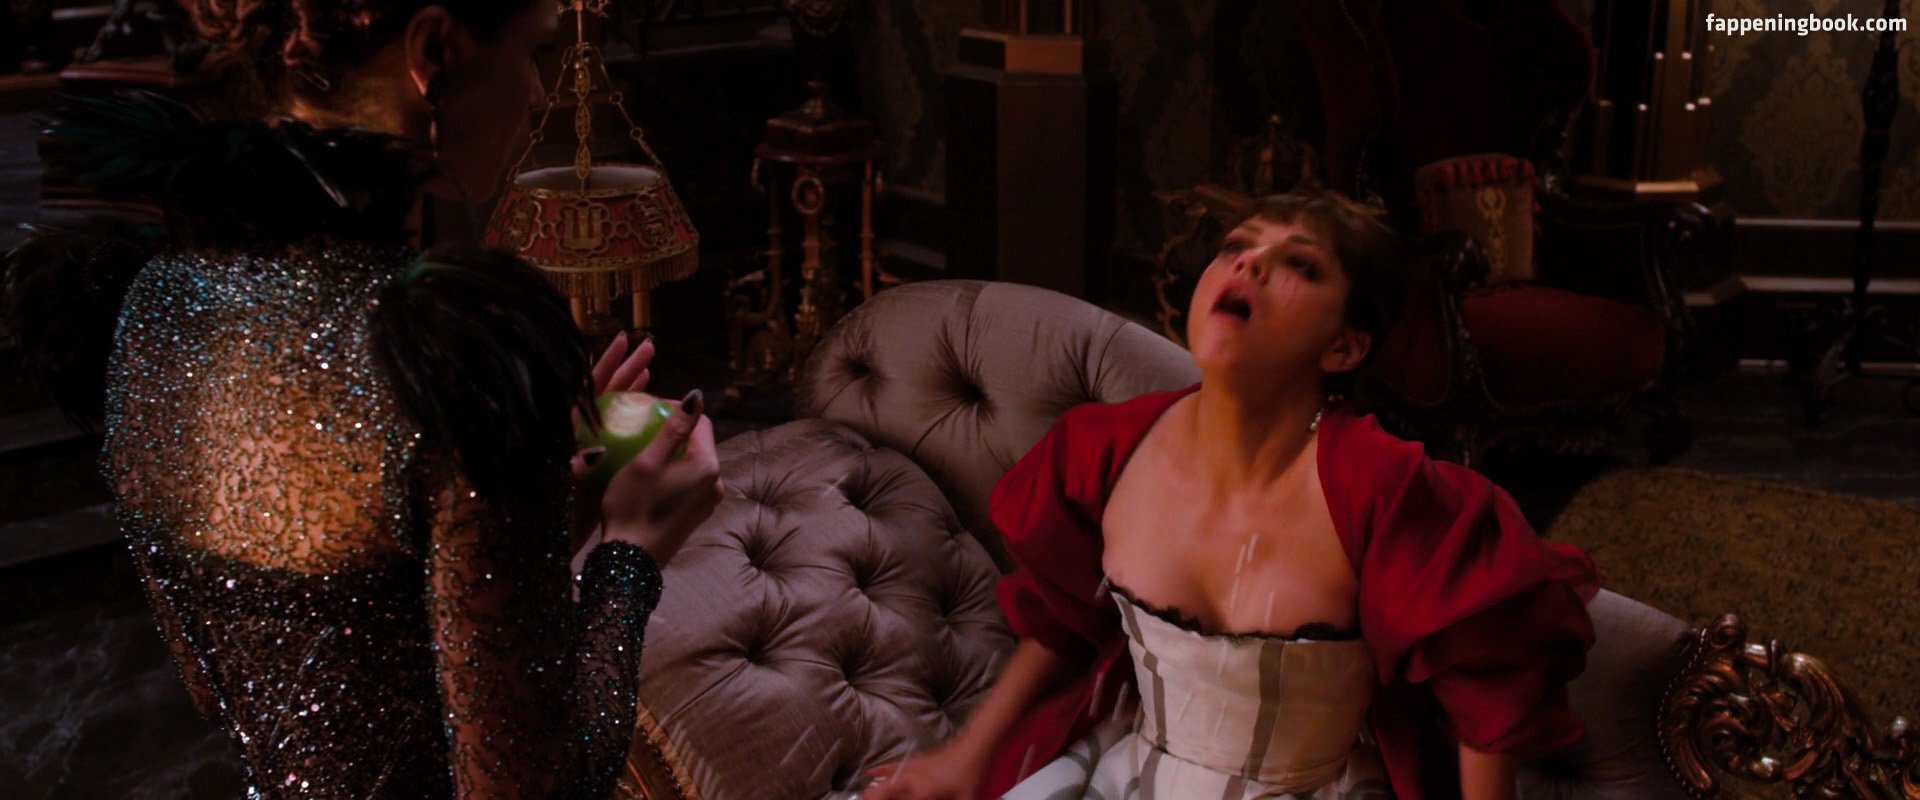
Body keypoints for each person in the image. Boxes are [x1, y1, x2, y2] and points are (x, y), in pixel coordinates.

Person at [0, 1, 723, 797]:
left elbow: (236, 685)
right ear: (436, 50)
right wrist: (630, 555)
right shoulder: (446, 360)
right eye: (533, 54)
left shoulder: (153, 306)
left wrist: (542, 516)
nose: (532, 93)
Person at [860, 189, 1600, 800]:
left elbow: (1485, 694)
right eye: (1235, 247)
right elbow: (1060, 626)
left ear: (1344, 347)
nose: (1250, 262)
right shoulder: (1102, 452)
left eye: (1300, 265)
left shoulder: (1380, 487)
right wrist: (965, 762)